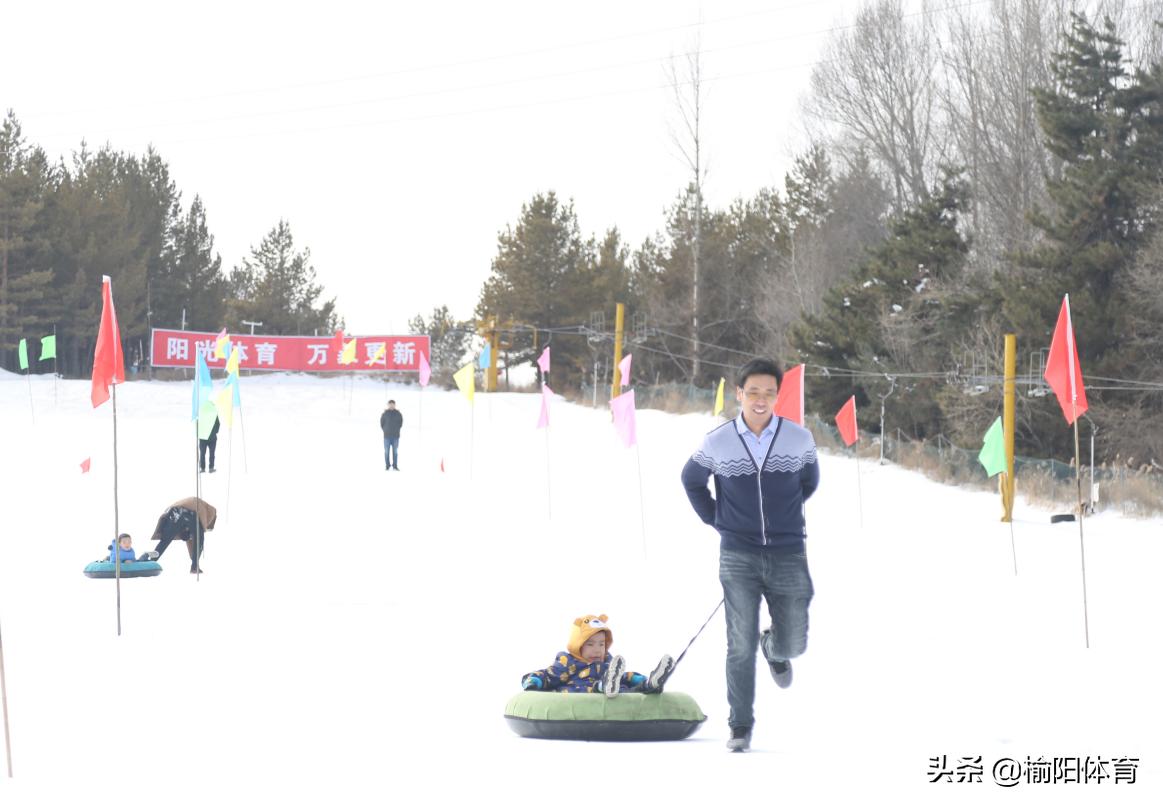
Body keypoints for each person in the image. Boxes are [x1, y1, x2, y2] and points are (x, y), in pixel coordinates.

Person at [680, 358, 820, 752]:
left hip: (788, 552)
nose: (761, 400)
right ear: (739, 393)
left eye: (769, 393)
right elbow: (691, 481)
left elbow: (808, 482)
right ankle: (739, 725)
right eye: (753, 392)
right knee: (737, 643)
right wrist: (718, 519)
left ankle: (774, 648)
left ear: (778, 395)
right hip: (737, 554)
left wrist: (782, 518)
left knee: (795, 641)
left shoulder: (799, 439)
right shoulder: (718, 441)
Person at [520, 614, 674, 698]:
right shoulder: (568, 662)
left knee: (625, 688)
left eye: (602, 644)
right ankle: (603, 686)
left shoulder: (607, 662)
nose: (598, 650)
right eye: (590, 644)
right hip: (580, 692)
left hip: (614, 689)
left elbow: (623, 675)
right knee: (590, 687)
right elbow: (549, 675)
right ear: (578, 645)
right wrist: (534, 680)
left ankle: (651, 684)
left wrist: (636, 678)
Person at [146, 496, 217, 573]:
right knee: (199, 538)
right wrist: (195, 561)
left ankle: (150, 562)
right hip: (187, 513)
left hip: (173, 513)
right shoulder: (210, 510)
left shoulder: (193, 509)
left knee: (165, 541)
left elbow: (191, 541)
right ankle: (194, 567)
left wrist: (193, 558)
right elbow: (198, 536)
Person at [379, 400, 403, 470]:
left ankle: (395, 466)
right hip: (387, 436)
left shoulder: (398, 413)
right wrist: (385, 430)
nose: (391, 406)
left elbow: (401, 423)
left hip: (395, 436)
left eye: (393, 404)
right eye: (390, 404)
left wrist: (397, 429)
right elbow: (382, 423)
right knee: (386, 452)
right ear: (388, 405)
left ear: (395, 405)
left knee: (395, 452)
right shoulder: (385, 413)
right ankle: (387, 465)